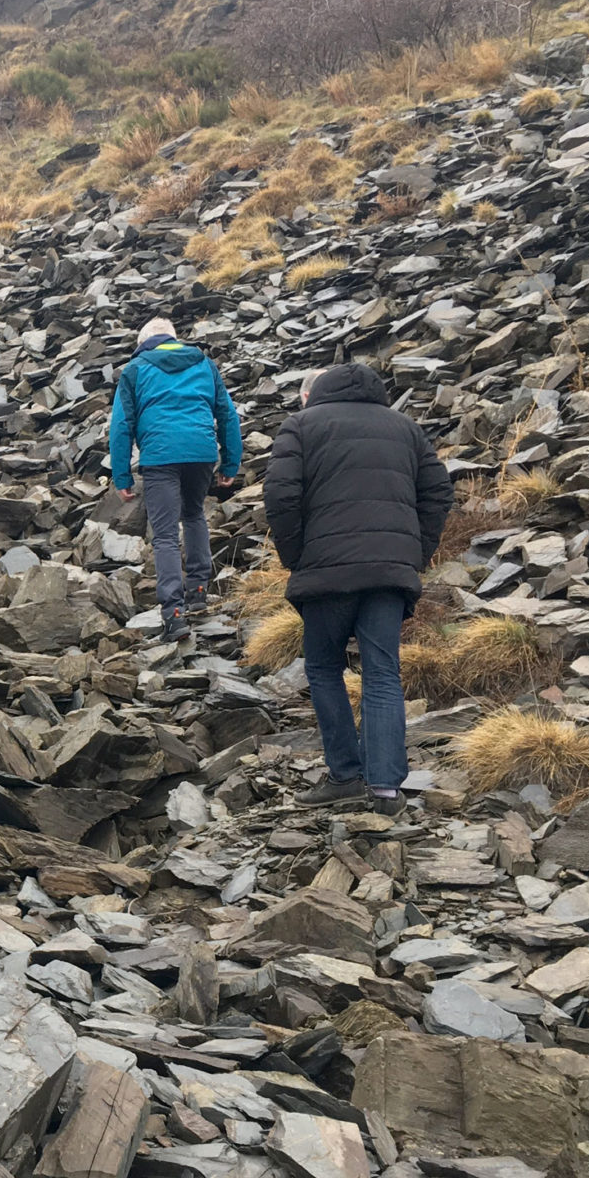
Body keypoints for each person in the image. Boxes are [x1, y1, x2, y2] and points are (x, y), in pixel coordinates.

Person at [264, 363, 454, 816]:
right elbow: (438, 493)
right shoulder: (404, 427)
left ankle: (345, 777)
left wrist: (297, 556)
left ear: (311, 394)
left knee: (325, 668)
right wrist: (414, 553)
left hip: (325, 573)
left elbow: (280, 495)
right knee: (382, 671)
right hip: (389, 575)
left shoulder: (301, 424)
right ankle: (386, 788)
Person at [109, 316, 243, 641]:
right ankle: (197, 591)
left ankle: (174, 615)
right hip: (200, 452)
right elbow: (226, 413)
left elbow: (121, 425)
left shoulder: (135, 369)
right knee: (195, 514)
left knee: (166, 535)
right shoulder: (204, 363)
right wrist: (230, 463)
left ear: (144, 343)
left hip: (160, 455)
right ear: (173, 338)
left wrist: (122, 474)